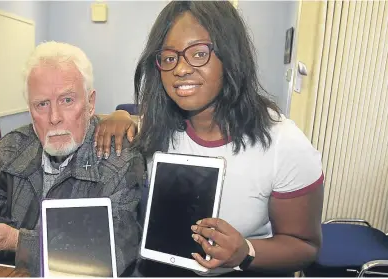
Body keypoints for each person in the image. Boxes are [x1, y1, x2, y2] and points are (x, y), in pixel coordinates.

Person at [94, 1, 324, 277]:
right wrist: (119, 115)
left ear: (231, 55)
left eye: (199, 53)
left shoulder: (284, 144)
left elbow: (305, 246)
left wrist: (245, 251)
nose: (180, 69)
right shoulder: (157, 128)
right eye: (169, 57)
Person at [0, 41, 144, 277]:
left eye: (67, 100)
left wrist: (17, 241)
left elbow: (112, 255)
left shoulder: (121, 158)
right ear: (30, 111)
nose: (54, 117)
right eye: (42, 104)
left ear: (90, 103)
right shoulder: (10, 150)